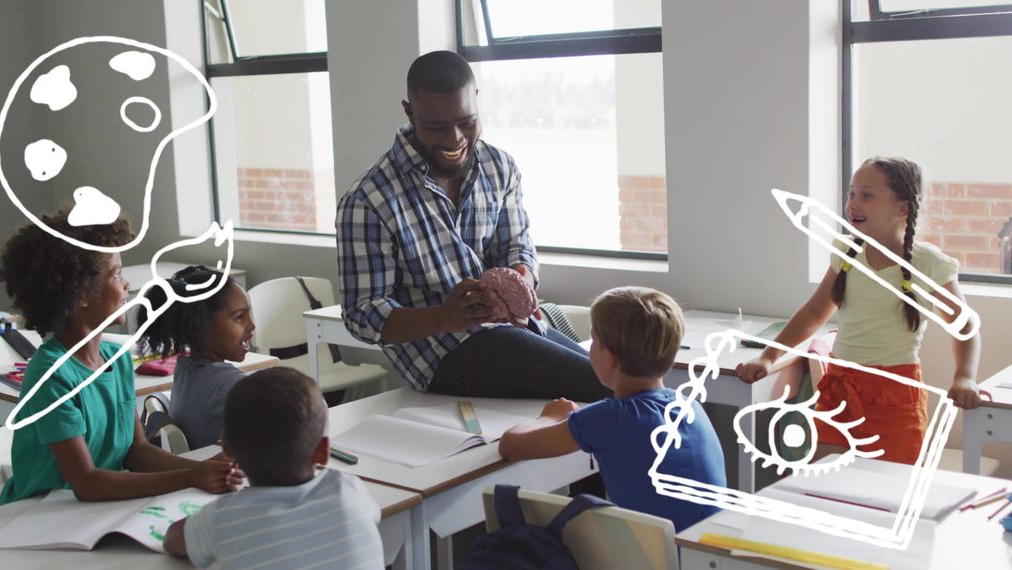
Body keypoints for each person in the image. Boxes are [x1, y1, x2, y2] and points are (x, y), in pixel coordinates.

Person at [336, 49, 607, 402]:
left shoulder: (499, 166)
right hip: (441, 353)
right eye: (437, 127)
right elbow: (362, 314)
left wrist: (519, 282)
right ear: (409, 111)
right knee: (603, 386)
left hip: (514, 328)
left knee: (618, 381)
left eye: (466, 122)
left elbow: (517, 247)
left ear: (477, 100)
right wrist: (443, 318)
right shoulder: (367, 201)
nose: (454, 140)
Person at [737, 156, 982, 465]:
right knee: (829, 489)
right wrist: (768, 356)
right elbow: (814, 313)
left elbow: (965, 328)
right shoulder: (846, 252)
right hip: (839, 390)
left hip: (895, 397)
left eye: (867, 195)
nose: (853, 203)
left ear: (903, 209)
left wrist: (964, 377)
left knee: (888, 496)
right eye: (851, 193)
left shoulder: (927, 262)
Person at [0, 210, 243, 505]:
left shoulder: (116, 358)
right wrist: (191, 476)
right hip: (36, 515)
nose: (126, 285)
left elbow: (136, 452)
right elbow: (87, 482)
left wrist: (206, 468)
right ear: (80, 295)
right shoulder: (51, 374)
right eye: (116, 274)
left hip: (94, 510)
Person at [499, 287, 726, 532]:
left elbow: (511, 445)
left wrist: (550, 417)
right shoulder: (689, 405)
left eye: (593, 341)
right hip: (710, 554)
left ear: (609, 358)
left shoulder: (610, 417)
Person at [163, 367, 384, 569]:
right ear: (323, 451)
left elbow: (172, 540)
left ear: (227, 447)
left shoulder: (224, 518)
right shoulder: (349, 491)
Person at [138, 265, 256, 449]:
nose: (252, 325)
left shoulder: (185, 367)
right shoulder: (229, 385)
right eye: (239, 317)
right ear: (202, 324)